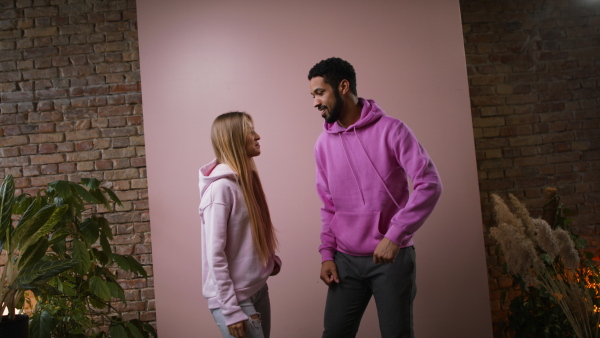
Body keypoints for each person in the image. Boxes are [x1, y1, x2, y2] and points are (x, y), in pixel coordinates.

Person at [308, 57, 443, 338]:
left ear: (343, 86)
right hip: (344, 259)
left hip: (391, 257)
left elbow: (429, 182)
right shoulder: (323, 144)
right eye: (312, 95)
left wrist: (395, 235)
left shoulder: (392, 130)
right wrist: (326, 254)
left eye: (319, 93)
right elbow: (328, 205)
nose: (315, 103)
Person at [199, 112, 281, 338]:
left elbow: (247, 231)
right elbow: (215, 254)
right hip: (234, 298)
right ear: (234, 138)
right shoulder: (220, 190)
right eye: (250, 131)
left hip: (256, 288)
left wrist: (268, 261)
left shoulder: (244, 181)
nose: (258, 136)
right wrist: (231, 310)